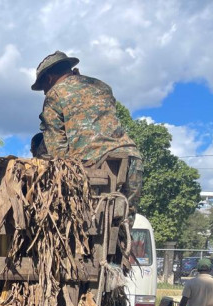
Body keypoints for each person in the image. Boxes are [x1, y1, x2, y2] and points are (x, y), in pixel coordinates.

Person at [31, 51, 143, 205]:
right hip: (131, 159)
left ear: (49, 79)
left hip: (95, 167)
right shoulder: (103, 87)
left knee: (84, 225)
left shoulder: (54, 95)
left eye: (43, 87)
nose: (45, 92)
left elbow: (57, 151)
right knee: (121, 222)